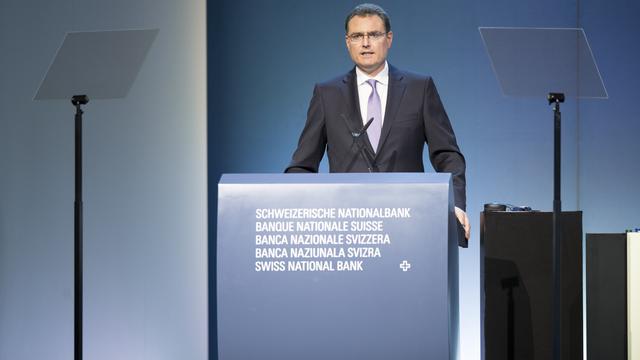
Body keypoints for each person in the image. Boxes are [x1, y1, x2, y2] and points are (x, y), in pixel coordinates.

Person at [285, 3, 470, 240]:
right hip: (347, 226)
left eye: (373, 34)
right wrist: (295, 207)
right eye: (357, 36)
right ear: (347, 42)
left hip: (409, 223)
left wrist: (455, 204)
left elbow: (448, 154)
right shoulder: (327, 94)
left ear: (389, 39)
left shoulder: (419, 88)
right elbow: (302, 164)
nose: (365, 43)